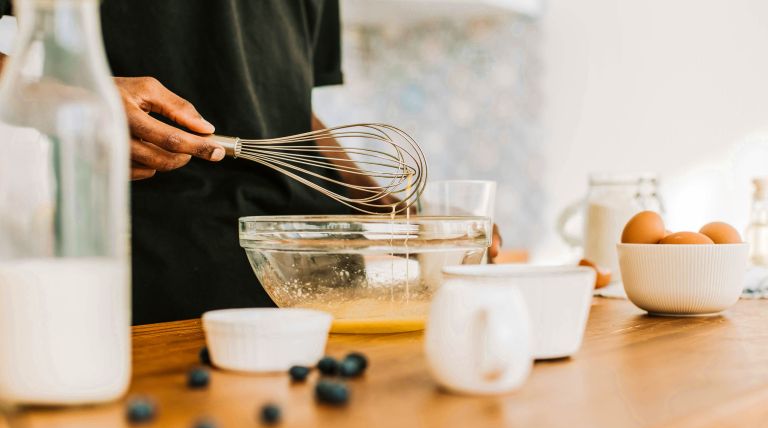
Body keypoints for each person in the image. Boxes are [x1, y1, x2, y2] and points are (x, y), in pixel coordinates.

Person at [0, 1, 500, 324]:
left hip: (318, 294)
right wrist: (75, 104)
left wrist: (397, 214)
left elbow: (282, 107)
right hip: (146, 293)